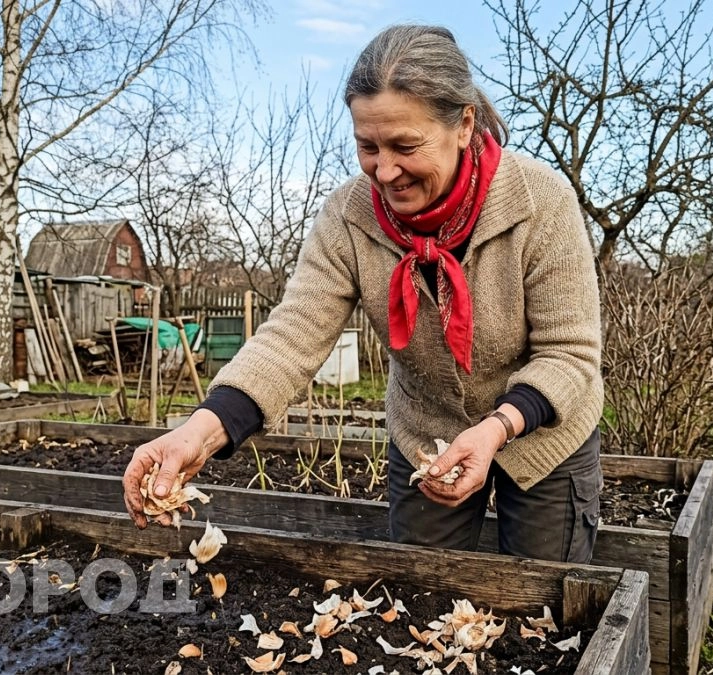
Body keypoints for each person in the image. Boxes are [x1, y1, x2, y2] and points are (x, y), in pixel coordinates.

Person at [122, 24, 603, 563]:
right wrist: (199, 432)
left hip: (544, 433)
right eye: (367, 147)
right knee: (425, 593)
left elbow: (569, 353)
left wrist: (498, 428)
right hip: (427, 431)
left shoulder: (540, 203)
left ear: (465, 124)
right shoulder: (349, 217)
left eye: (405, 146)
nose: (386, 170)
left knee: (542, 600)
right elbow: (292, 336)